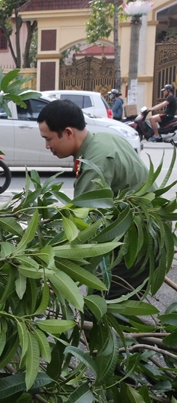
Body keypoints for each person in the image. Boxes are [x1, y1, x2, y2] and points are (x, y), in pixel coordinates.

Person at [37, 99, 152, 298]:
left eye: (48, 139)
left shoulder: (93, 163)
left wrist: (61, 276)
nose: (47, 146)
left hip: (137, 245)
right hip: (140, 234)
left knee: (102, 310)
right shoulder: (105, 139)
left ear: (68, 132)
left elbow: (85, 225)